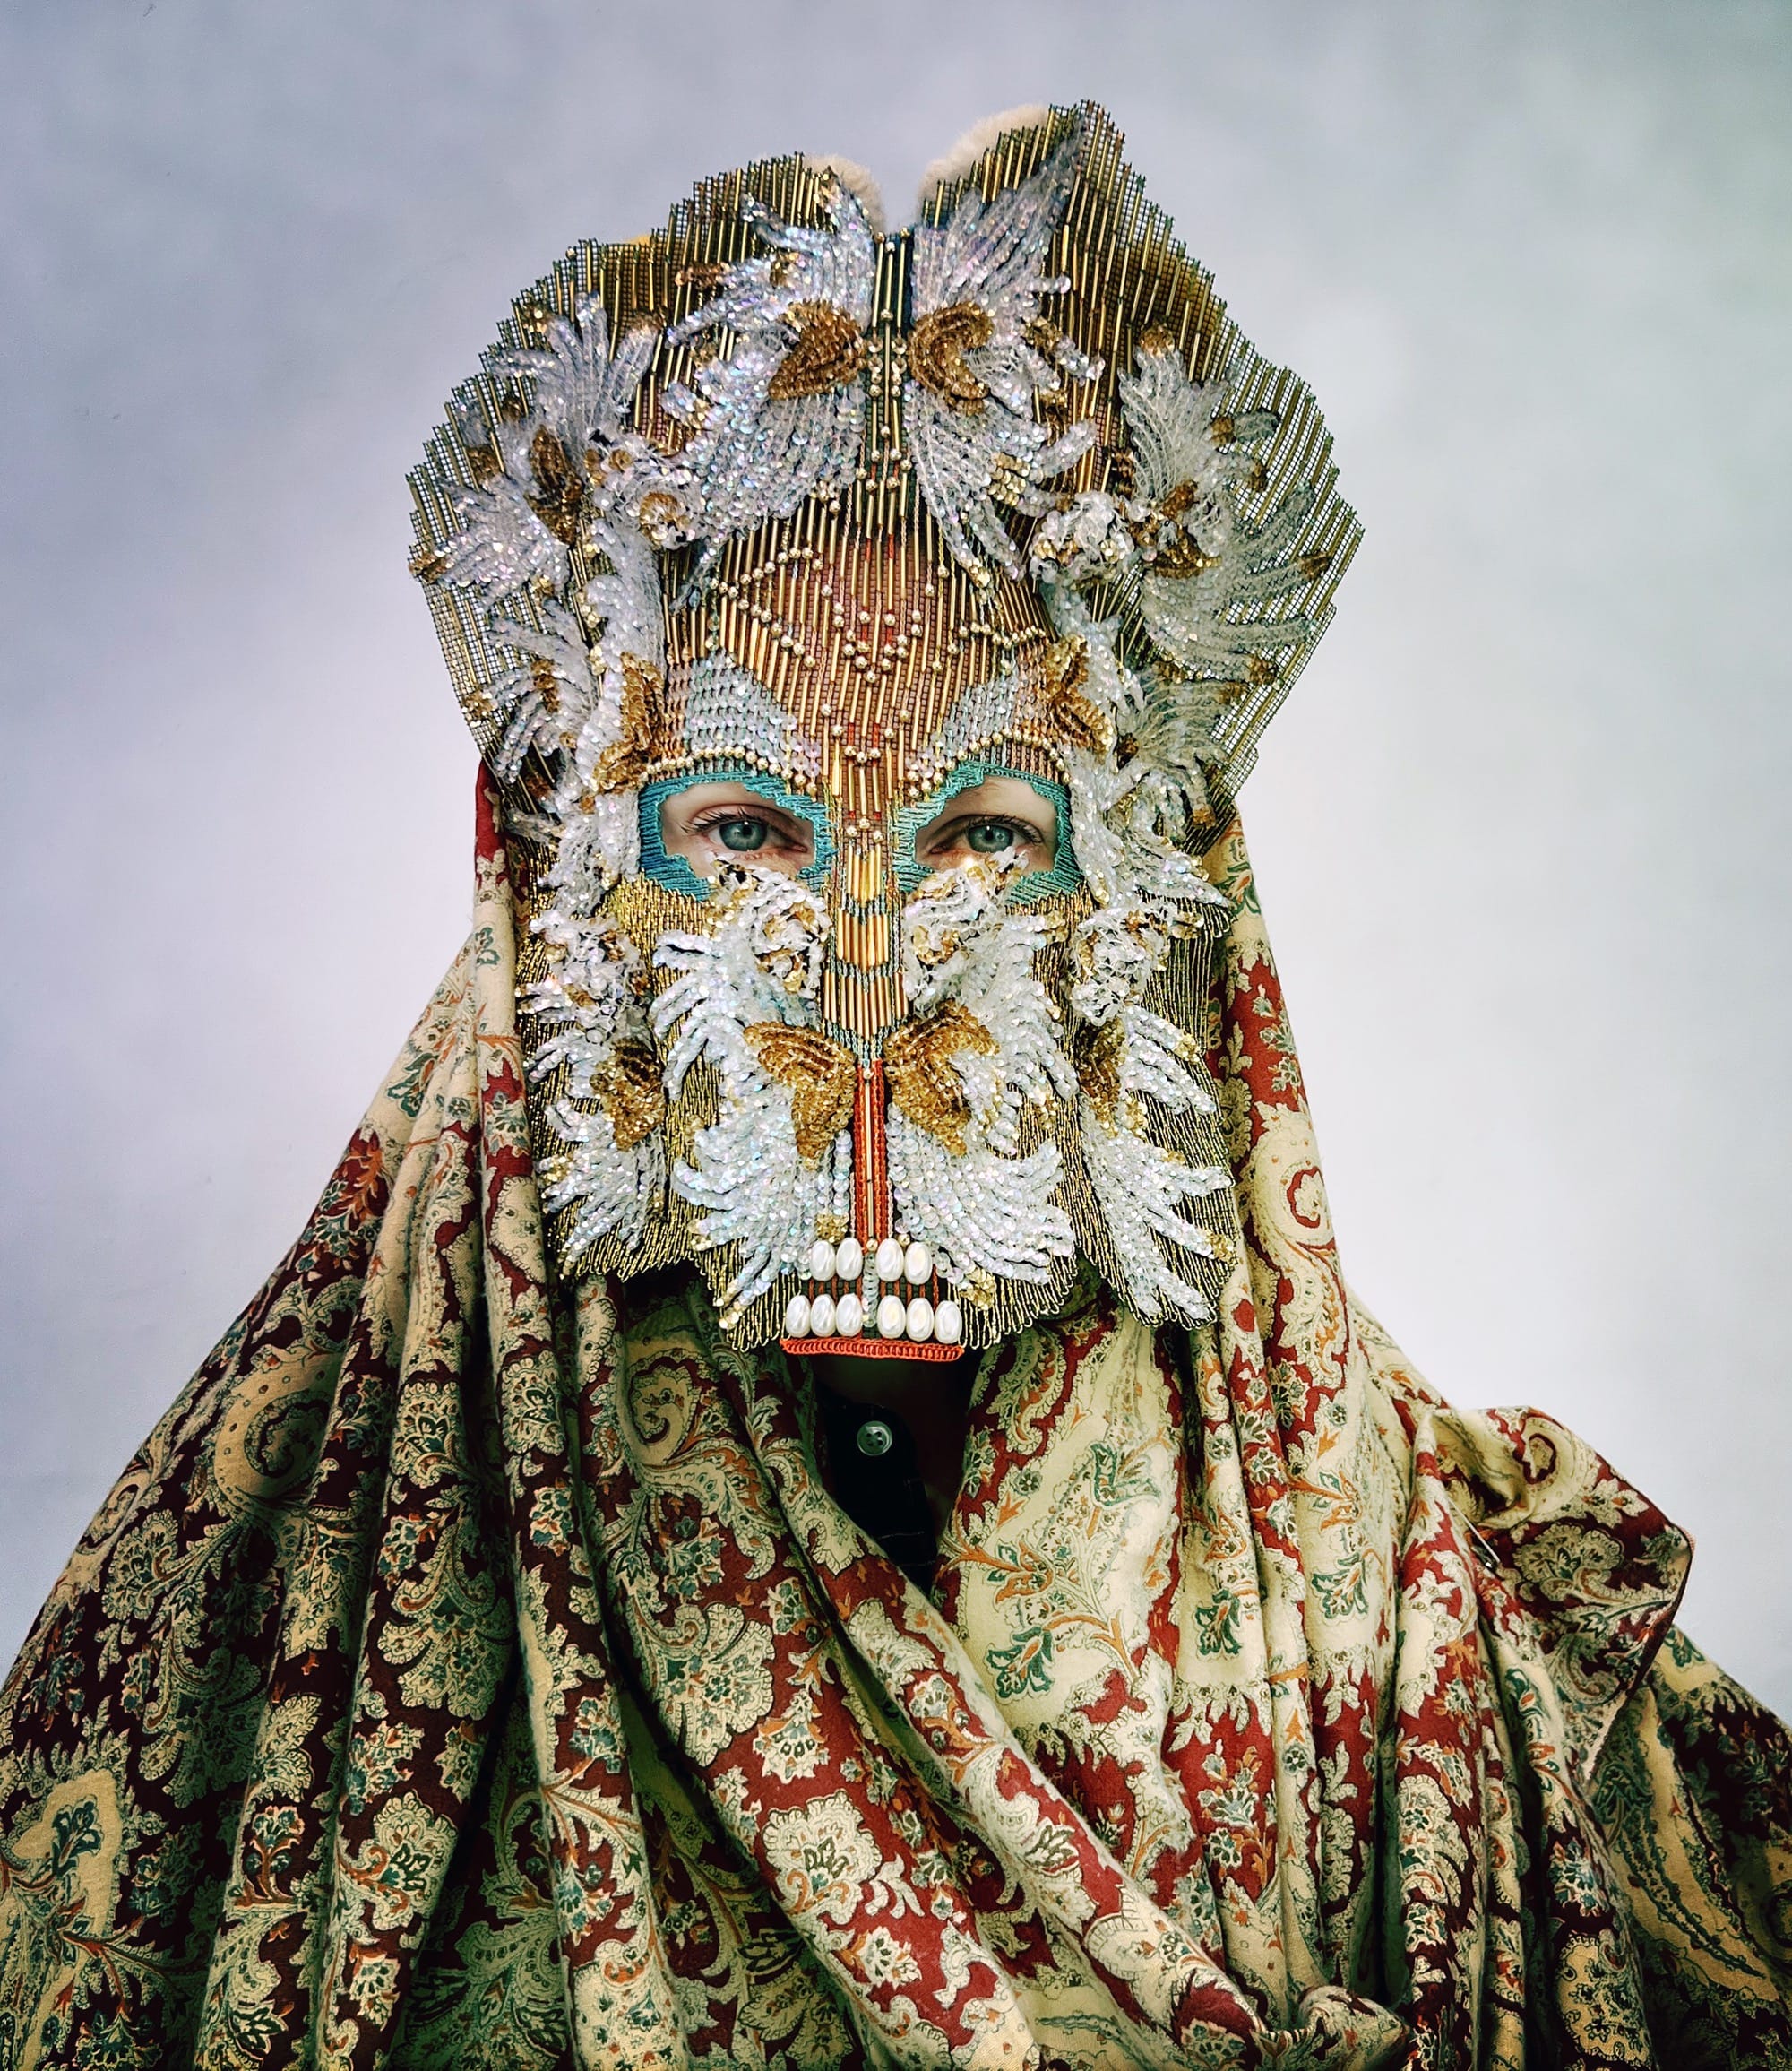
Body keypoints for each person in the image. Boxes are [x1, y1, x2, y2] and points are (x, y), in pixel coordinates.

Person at [0, 102, 1784, 2071]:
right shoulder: (273, 1606)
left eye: (984, 837)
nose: (866, 990)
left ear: (1153, 900)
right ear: (567, 898)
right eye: (744, 834)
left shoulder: (1438, 1645)